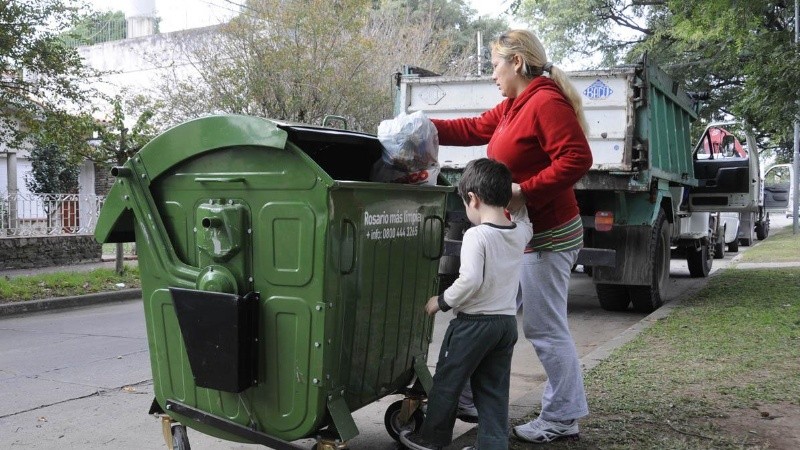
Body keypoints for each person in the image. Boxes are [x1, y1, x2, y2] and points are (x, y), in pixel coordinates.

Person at [429, 29, 593, 444]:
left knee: (544, 328)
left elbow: (577, 157)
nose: (492, 75)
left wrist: (525, 190)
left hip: (549, 235)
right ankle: (467, 396)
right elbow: (471, 128)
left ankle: (562, 417)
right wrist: (421, 126)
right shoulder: (514, 105)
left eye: (494, 65)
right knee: (490, 313)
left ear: (516, 62)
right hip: (520, 234)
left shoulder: (544, 101)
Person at [399, 158, 533, 450]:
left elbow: (470, 280)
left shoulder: (477, 235)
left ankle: (430, 439)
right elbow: (524, 217)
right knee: (494, 390)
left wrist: (442, 301)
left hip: (473, 325)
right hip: (506, 325)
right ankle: (493, 444)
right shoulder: (519, 232)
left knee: (448, 382)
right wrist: (516, 196)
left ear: (472, 199)